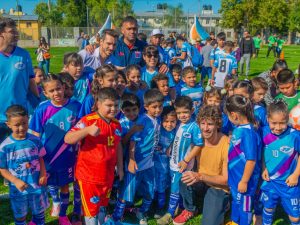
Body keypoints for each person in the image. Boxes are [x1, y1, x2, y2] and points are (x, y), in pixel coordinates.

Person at [64, 87, 123, 225]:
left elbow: (118, 146)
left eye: (116, 105)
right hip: (89, 177)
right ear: (98, 104)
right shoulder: (88, 120)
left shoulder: (116, 124)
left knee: (102, 207)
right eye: (109, 105)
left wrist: (119, 168)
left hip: (107, 176)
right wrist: (86, 130)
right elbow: (68, 138)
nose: (113, 109)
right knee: (91, 211)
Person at [29, 74, 81, 225]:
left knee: (65, 185)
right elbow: (35, 136)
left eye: (58, 88)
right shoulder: (42, 109)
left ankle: (63, 215)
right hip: (47, 157)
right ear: (45, 93)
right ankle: (47, 209)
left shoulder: (76, 106)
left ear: (64, 87)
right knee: (46, 184)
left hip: (68, 156)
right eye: (51, 91)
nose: (56, 93)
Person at [112, 89, 164, 225]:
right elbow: (130, 142)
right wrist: (131, 160)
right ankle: (116, 216)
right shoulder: (141, 121)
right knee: (126, 191)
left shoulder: (156, 119)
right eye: (155, 107)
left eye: (160, 106)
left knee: (149, 190)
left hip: (149, 163)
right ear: (146, 107)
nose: (158, 110)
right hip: (133, 162)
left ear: (139, 108)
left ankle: (141, 211)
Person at [180, 105, 230, 225]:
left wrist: (200, 176)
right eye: (202, 123)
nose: (205, 128)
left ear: (218, 124)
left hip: (218, 187)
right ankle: (191, 209)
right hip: (201, 182)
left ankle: (226, 203)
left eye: (210, 124)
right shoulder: (197, 140)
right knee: (183, 178)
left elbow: (226, 180)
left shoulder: (227, 144)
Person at [157, 96, 203, 225]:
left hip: (182, 166)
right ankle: (180, 206)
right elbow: (176, 138)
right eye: (179, 113)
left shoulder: (194, 126)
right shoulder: (178, 124)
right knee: (177, 187)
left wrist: (186, 160)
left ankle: (169, 214)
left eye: (185, 112)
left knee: (174, 189)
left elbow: (199, 145)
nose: (182, 116)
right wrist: (170, 147)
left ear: (192, 110)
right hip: (173, 163)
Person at [0, 105, 49, 225]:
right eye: (17, 125)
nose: (21, 128)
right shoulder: (5, 147)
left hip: (37, 186)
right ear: (8, 124)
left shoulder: (35, 140)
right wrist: (15, 181)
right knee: (20, 216)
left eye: (24, 123)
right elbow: (2, 169)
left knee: (39, 212)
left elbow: (41, 157)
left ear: (28, 120)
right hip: (18, 190)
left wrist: (43, 173)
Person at [260, 100, 300, 225]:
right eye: (274, 123)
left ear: (288, 119)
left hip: (289, 184)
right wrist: (264, 168)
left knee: (295, 218)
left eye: (282, 123)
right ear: (267, 119)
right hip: (270, 181)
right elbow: (263, 151)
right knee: (268, 208)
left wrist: (295, 175)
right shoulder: (264, 132)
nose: (277, 127)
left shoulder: (295, 136)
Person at [224, 95, 261, 225]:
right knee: (236, 201)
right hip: (236, 177)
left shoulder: (249, 133)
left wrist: (244, 181)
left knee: (244, 206)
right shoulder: (239, 129)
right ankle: (235, 221)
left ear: (234, 115)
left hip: (245, 180)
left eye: (228, 116)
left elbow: (251, 160)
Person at [0, 18, 38, 143]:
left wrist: (38, 102)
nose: (16, 34)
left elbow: (31, 81)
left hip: (19, 116)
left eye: (16, 30)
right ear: (1, 34)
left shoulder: (24, 55)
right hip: (0, 117)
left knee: (19, 155)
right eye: (12, 31)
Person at [153, 106, 177, 218]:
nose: (169, 124)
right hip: (156, 164)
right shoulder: (158, 128)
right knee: (156, 184)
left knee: (164, 184)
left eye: (172, 121)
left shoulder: (176, 132)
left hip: (167, 165)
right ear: (161, 120)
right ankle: (156, 204)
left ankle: (161, 206)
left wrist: (171, 146)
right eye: (166, 121)